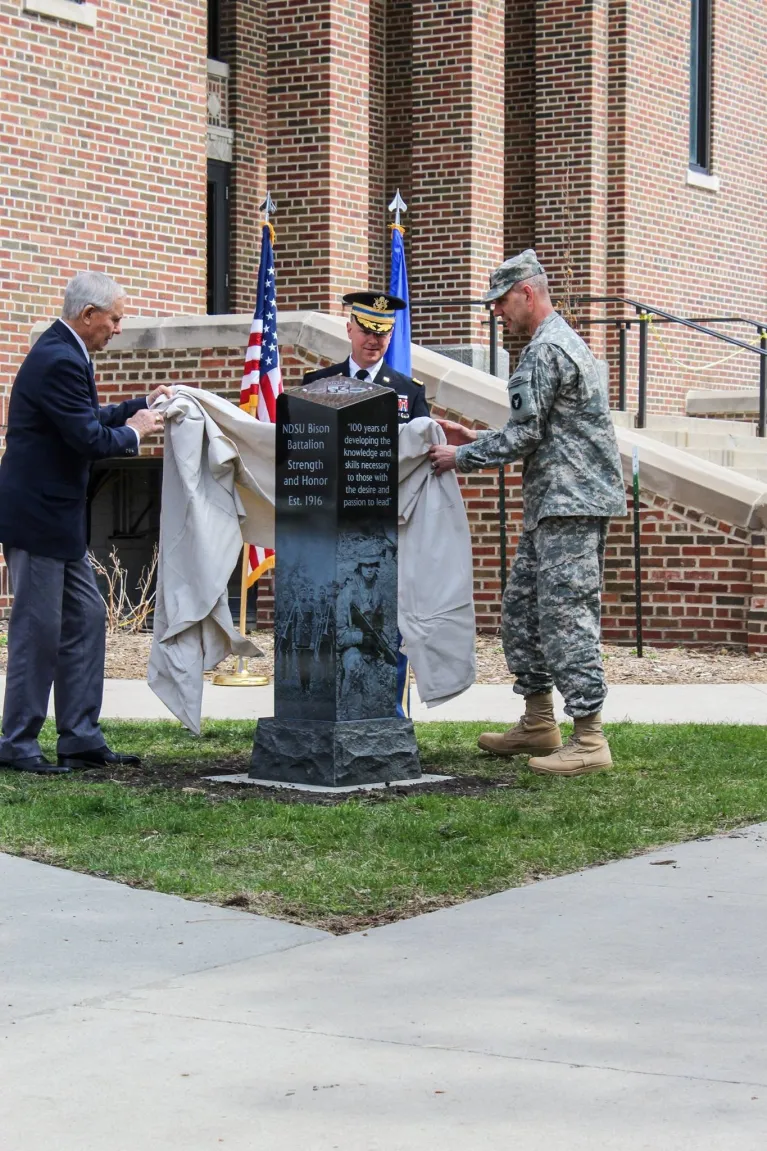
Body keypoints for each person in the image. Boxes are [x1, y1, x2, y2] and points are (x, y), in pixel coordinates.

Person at [429, 250, 627, 776]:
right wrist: (479, 437)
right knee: (521, 616)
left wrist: (460, 456)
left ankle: (590, 740)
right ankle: (539, 723)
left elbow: (527, 434)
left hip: (570, 507)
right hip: (555, 505)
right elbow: (543, 432)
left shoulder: (546, 350)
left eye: (501, 303)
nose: (498, 313)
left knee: (565, 619)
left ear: (527, 294)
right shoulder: (558, 344)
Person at [0, 271, 170, 775]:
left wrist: (139, 404)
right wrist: (137, 431)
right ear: (88, 315)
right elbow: (89, 440)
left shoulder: (65, 351)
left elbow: (86, 417)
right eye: (115, 318)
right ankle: (16, 743)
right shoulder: (58, 358)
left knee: (87, 618)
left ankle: (79, 737)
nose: (118, 327)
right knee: (38, 629)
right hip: (37, 519)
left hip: (57, 520)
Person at [303, 291, 430, 424]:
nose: (373, 341)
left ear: (390, 335)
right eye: (366, 332)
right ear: (349, 330)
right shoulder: (316, 383)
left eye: (380, 334)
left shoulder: (410, 391)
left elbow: (421, 442)